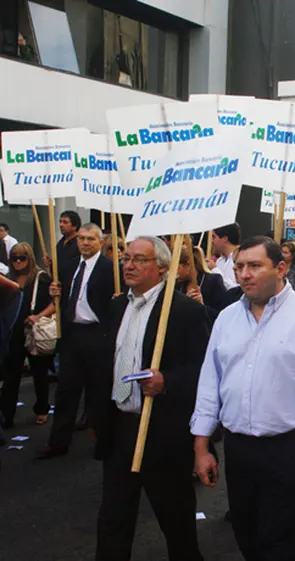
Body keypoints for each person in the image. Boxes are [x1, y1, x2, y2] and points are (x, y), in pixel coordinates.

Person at [192, 236, 295, 561]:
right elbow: (210, 382)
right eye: (239, 267)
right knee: (246, 534)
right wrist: (202, 445)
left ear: (281, 268)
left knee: (281, 543)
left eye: (254, 266)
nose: (244, 274)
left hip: (289, 450)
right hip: (239, 448)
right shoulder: (226, 319)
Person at [94, 236, 210, 561]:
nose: (129, 265)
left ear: (161, 266)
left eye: (139, 260)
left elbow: (204, 371)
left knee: (175, 521)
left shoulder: (184, 310)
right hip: (120, 428)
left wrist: (167, 382)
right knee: (113, 519)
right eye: (126, 258)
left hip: (162, 432)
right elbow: (107, 362)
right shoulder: (118, 306)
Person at [38, 223, 115, 458]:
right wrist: (55, 294)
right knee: (65, 391)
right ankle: (58, 442)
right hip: (72, 334)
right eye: (81, 238)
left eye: (90, 239)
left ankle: (104, 442)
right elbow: (62, 295)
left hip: (97, 334)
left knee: (100, 391)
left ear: (100, 242)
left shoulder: (111, 269)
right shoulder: (68, 266)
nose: (84, 242)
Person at [0, 242, 55, 428]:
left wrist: (38, 316)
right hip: (13, 332)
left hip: (33, 329)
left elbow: (54, 303)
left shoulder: (41, 278)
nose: (17, 262)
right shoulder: (8, 279)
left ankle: (41, 409)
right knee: (10, 377)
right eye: (14, 258)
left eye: (22, 258)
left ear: (29, 259)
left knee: (39, 373)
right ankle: (7, 415)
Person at [177, 245, 228, 315]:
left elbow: (223, 314)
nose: (174, 272)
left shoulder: (213, 281)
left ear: (188, 265)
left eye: (177, 268)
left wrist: (202, 306)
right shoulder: (177, 285)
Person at [42, 210, 82, 286]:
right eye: (60, 221)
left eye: (65, 222)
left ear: (75, 226)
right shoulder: (60, 243)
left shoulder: (79, 243)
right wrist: (50, 264)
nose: (61, 225)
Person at [207, 223, 240, 290]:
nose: (211, 241)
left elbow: (237, 289)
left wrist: (215, 270)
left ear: (225, 239)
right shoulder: (219, 261)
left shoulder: (240, 259)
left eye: (214, 237)